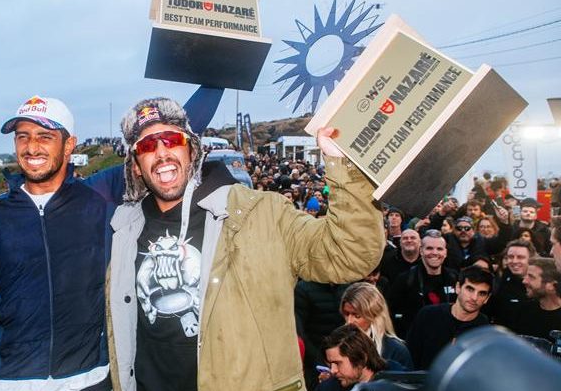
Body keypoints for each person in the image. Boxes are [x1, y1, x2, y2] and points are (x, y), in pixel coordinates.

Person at [0, 93, 220, 389]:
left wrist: (217, 75)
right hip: (9, 381)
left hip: (89, 379)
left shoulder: (99, 197)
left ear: (69, 145)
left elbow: (168, 131)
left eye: (45, 136)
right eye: (23, 136)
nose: (32, 147)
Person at [106, 97, 384, 391]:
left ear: (192, 149)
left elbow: (349, 253)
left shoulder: (260, 213)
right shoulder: (124, 231)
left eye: (172, 139)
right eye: (147, 146)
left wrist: (344, 167)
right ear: (136, 166)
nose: (161, 153)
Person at [406, 266, 493, 369]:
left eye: (482, 293)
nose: (474, 298)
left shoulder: (485, 333)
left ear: (487, 298)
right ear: (458, 288)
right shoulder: (428, 315)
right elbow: (409, 358)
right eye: (470, 289)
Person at [386, 230, 458, 337]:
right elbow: (389, 311)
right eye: (429, 248)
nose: (434, 252)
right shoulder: (405, 279)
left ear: (445, 253)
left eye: (439, 249)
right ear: (421, 251)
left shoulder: (454, 278)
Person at [340, 282, 412, 369]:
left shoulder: (396, 350)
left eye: (357, 315)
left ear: (374, 315)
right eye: (346, 314)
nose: (349, 321)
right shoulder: (338, 345)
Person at [316, 324, 390, 391]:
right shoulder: (328, 388)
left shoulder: (392, 385)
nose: (333, 371)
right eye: (330, 364)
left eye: (337, 363)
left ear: (361, 358)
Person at [485, 240, 534, 330]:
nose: (514, 261)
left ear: (531, 259)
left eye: (520, 257)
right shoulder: (499, 280)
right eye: (510, 257)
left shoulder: (540, 284)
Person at [515, 257, 561, 342]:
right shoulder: (524, 310)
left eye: (531, 277)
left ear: (552, 285)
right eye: (526, 276)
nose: (524, 281)